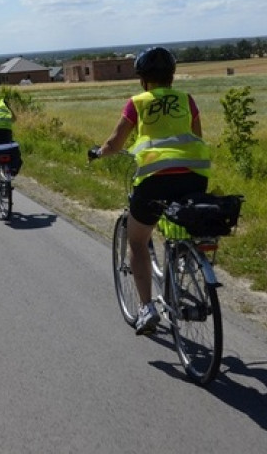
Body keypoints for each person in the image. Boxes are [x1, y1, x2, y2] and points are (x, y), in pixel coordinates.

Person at [87, 46, 211, 335]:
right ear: (172, 76)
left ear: (143, 79)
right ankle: (184, 258)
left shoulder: (137, 103)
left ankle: (146, 308)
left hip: (155, 180)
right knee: (180, 221)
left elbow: (116, 143)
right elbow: (197, 137)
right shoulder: (187, 101)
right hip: (195, 176)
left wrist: (98, 153)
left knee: (138, 241)